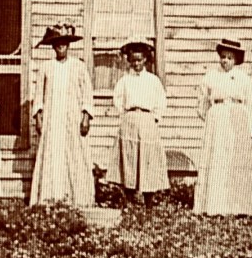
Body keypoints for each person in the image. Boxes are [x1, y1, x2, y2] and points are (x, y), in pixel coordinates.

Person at [30, 23, 95, 206]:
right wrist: (39, 117)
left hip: (72, 118)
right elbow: (39, 96)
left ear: (69, 45)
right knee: (52, 153)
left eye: (64, 43)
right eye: (58, 44)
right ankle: (50, 198)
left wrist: (85, 117)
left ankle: (77, 199)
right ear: (53, 46)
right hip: (52, 119)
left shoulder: (78, 66)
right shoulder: (46, 67)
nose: (61, 47)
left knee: (74, 154)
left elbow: (87, 94)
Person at [193, 38, 252, 216]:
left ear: (236, 59)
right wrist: (211, 117)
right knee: (217, 159)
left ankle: (241, 206)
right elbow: (202, 103)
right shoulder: (210, 76)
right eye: (223, 57)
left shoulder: (243, 79)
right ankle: (215, 206)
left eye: (230, 58)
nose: (225, 61)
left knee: (236, 159)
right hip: (217, 118)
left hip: (237, 119)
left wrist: (247, 125)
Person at [106, 38, 169, 205]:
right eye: (133, 60)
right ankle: (130, 199)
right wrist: (126, 115)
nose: (136, 64)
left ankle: (149, 201)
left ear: (145, 60)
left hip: (148, 120)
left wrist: (155, 117)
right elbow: (118, 100)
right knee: (129, 158)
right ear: (129, 61)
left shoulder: (153, 80)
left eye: (139, 60)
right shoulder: (125, 81)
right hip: (130, 120)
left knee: (148, 158)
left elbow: (161, 101)